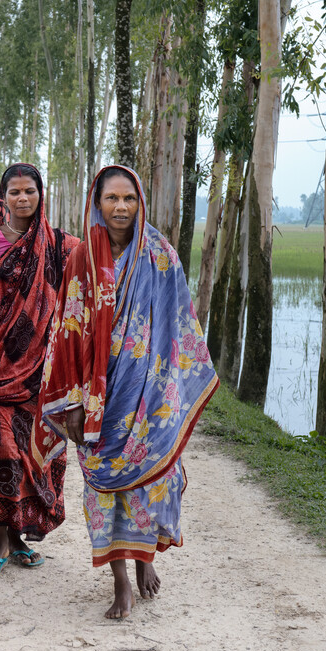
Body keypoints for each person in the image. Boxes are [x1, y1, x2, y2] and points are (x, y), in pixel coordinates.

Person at [33, 165, 218, 620]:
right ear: (97, 203)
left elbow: (179, 322)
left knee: (151, 482)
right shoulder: (81, 258)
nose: (120, 207)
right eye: (111, 198)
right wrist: (72, 402)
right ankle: (120, 581)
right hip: (98, 398)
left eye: (129, 199)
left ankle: (143, 559)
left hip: (150, 393)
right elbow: (66, 331)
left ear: (140, 203)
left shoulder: (160, 255)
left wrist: (171, 390)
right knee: (102, 485)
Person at [0, 163, 78, 578]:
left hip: (42, 373)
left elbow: (96, 267)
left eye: (30, 191)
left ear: (40, 196)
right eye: (15, 192)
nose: (23, 198)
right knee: (4, 453)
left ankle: (15, 538)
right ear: (3, 198)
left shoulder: (60, 245)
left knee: (31, 455)